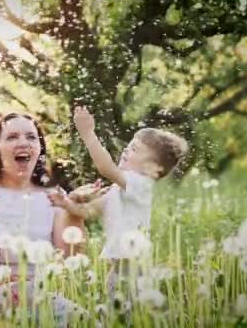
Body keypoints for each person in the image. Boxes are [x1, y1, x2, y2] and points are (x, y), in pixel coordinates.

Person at [0, 113, 86, 326]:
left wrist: (76, 210)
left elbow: (70, 257)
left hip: (41, 296)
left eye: (31, 137)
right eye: (12, 136)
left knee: (87, 322)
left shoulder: (54, 195)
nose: (23, 142)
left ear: (39, 149)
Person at [49, 106, 189, 296]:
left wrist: (88, 135)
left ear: (153, 168)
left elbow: (106, 168)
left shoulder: (141, 185)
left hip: (135, 270)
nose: (126, 149)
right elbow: (87, 212)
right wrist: (65, 202)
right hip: (117, 270)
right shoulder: (118, 190)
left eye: (134, 149)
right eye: (129, 145)